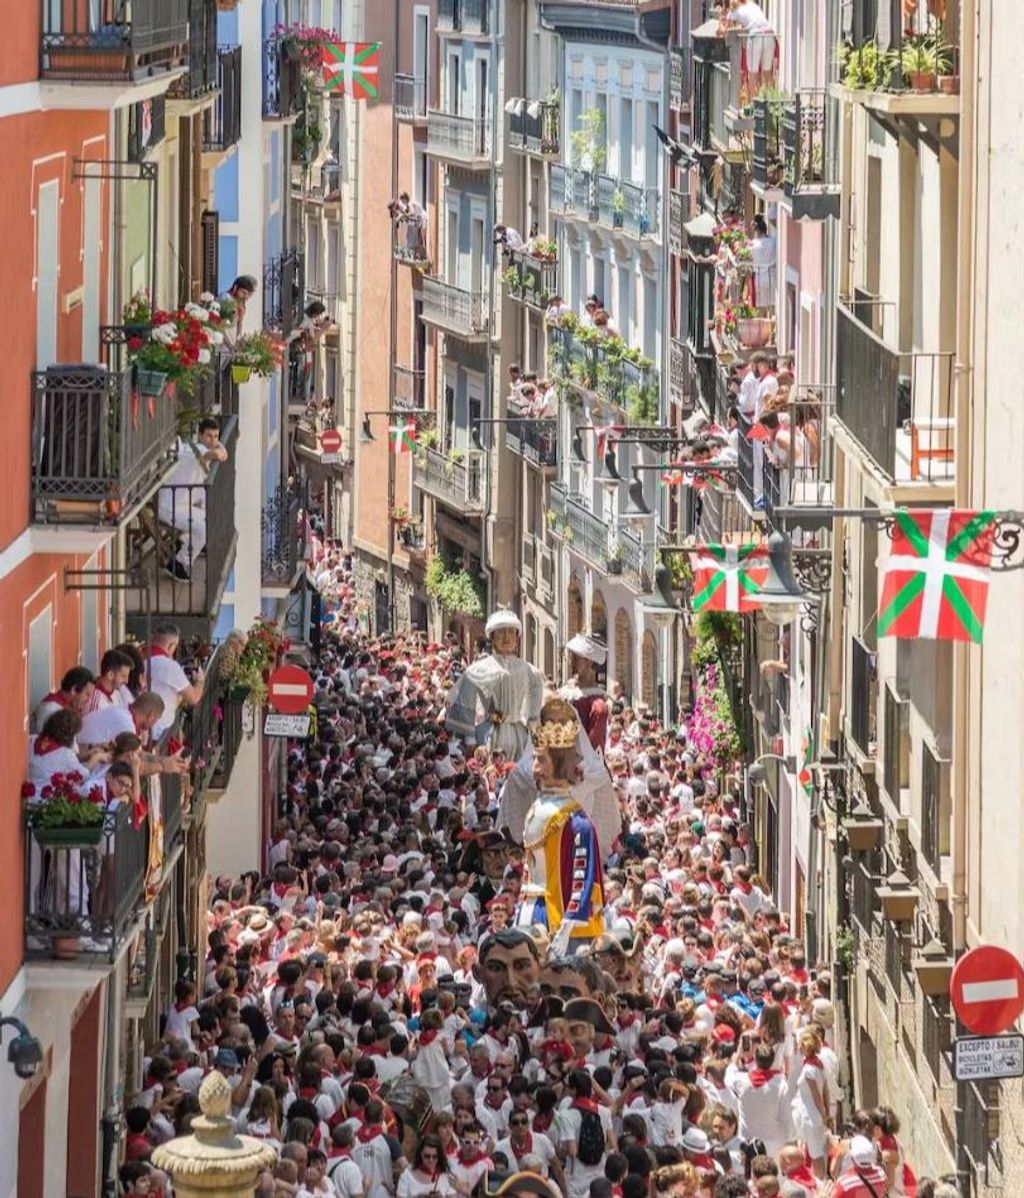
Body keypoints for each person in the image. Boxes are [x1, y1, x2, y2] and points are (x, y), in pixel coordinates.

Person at [445, 610, 544, 758]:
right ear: (492, 636)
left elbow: (536, 693)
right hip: (489, 733)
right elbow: (466, 698)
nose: (506, 637)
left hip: (519, 734)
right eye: (501, 632)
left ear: (517, 637)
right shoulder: (479, 669)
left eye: (511, 632)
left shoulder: (529, 670)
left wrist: (533, 721)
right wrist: (470, 737)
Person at [159, 417, 230, 581]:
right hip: (170, 506)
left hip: (180, 503)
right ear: (199, 436)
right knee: (204, 530)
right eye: (209, 436)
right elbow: (218, 455)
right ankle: (177, 563)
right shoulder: (198, 452)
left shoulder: (191, 448)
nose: (212, 441)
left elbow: (219, 452)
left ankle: (181, 543)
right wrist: (219, 447)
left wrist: (218, 445)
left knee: (210, 519)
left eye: (215, 436)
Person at [145, 622, 206, 738]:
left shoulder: (141, 658)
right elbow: (194, 698)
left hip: (142, 730)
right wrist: (200, 681)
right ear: (171, 645)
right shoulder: (169, 666)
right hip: (160, 732)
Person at [32, 666, 95, 731]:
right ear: (74, 690)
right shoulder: (51, 710)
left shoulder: (68, 708)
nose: (88, 700)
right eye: (87, 694)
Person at [86, 648, 134, 713]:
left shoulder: (117, 693)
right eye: (123, 676)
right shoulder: (94, 699)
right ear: (110, 675)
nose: (126, 681)